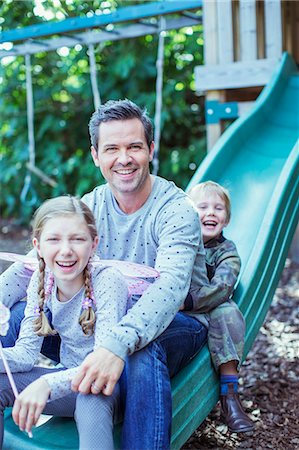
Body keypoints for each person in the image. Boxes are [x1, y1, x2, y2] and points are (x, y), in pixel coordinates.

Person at [0, 99, 210, 449]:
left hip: (176, 324)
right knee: (20, 315)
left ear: (150, 150)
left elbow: (170, 290)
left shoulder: (176, 210)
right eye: (112, 148)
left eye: (134, 147)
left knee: (142, 349)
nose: (123, 158)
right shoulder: (92, 204)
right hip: (101, 320)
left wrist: (114, 346)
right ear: (96, 155)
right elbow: (34, 266)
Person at [0, 196, 129, 449]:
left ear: (93, 244)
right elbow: (26, 354)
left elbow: (101, 367)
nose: (66, 250)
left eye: (77, 239)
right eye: (54, 239)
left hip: (110, 386)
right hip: (70, 383)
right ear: (37, 245)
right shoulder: (41, 280)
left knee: (90, 399)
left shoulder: (109, 281)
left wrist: (46, 384)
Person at [188, 181, 254, 433]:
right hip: (176, 312)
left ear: (226, 220)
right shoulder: (179, 242)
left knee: (228, 310)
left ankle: (230, 394)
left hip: (207, 311)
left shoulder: (227, 251)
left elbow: (223, 286)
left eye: (218, 208)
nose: (211, 212)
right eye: (202, 207)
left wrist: (191, 302)